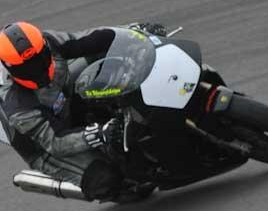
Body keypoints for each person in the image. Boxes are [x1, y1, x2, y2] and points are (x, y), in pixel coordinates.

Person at [0, 21, 166, 200]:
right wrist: (100, 133)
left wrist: (133, 34)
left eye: (39, 59)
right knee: (104, 178)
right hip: (47, 148)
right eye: (26, 68)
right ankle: (121, 188)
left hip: (66, 100)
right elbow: (55, 142)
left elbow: (90, 39)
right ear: (10, 68)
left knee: (105, 64)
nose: (36, 69)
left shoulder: (50, 41)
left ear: (44, 48)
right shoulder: (18, 105)